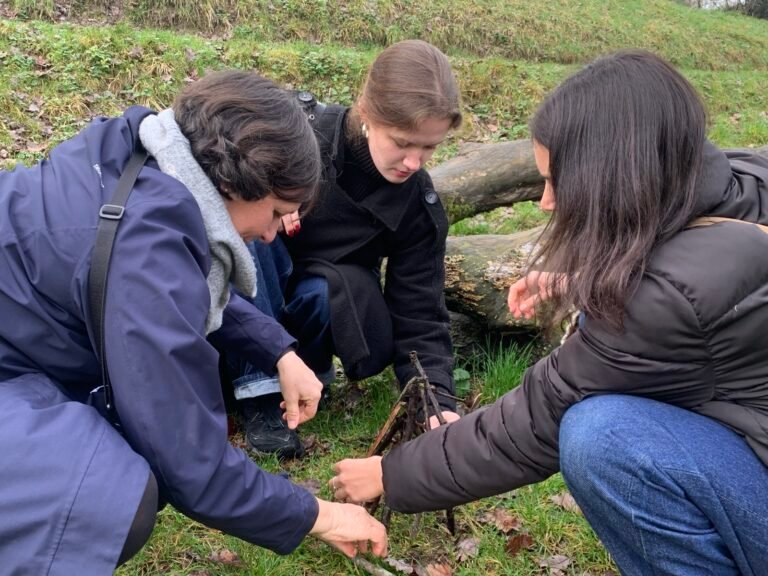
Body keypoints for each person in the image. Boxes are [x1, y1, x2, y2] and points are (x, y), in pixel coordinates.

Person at [330, 50, 768, 574]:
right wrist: (584, 280)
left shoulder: (662, 300)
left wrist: (391, 473)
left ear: (614, 175)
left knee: (602, 436)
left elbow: (538, 419)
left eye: (558, 180)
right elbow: (700, 285)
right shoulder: (743, 181)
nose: (545, 201)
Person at [0, 70, 387, 575]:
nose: (273, 235)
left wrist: (277, 350)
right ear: (235, 181)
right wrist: (319, 516)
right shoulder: (148, 250)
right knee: (109, 495)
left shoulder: (144, 156)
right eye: (276, 212)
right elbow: (188, 458)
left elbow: (171, 290)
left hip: (17, 349)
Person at [228, 40, 464, 458]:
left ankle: (304, 380)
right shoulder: (296, 132)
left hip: (321, 305)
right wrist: (271, 198)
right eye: (402, 142)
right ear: (367, 113)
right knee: (253, 224)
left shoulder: (416, 205)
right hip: (246, 300)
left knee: (327, 289)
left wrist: (435, 401)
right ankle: (261, 393)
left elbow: (420, 312)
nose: (414, 162)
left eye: (429, 147)